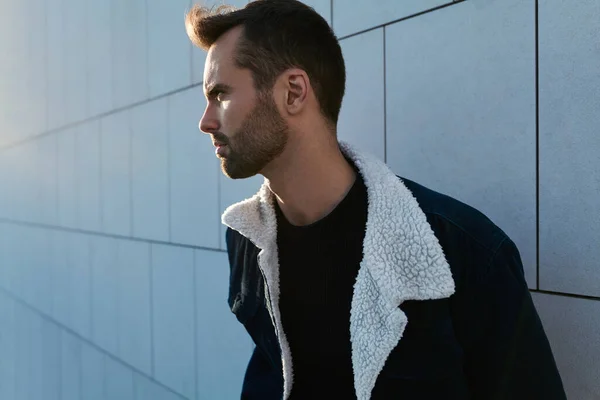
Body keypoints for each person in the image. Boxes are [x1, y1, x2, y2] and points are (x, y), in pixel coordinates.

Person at [185, 1, 566, 399]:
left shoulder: (464, 253)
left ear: (293, 92)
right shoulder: (247, 241)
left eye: (220, 94)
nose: (206, 121)